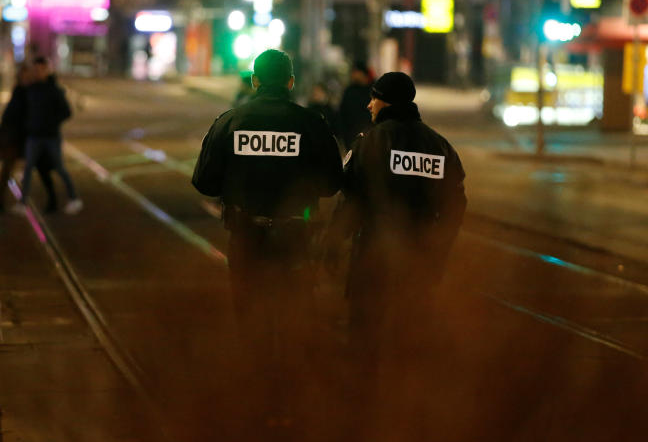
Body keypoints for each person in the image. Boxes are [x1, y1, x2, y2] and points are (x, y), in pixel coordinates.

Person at [192, 50, 342, 377]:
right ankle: (291, 383)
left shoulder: (230, 121)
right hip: (296, 236)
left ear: (255, 81)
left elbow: (204, 182)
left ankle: (256, 381)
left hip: (246, 235)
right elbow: (332, 184)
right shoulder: (312, 124)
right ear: (290, 81)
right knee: (294, 311)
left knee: (250, 312)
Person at [327, 71, 466, 373]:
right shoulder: (439, 146)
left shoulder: (369, 142)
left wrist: (331, 244)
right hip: (421, 261)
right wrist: (437, 249)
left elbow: (351, 201)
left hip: (373, 260)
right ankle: (407, 403)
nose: (369, 106)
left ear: (384, 101)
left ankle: (365, 402)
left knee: (366, 339)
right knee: (412, 338)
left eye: (373, 99)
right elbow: (455, 207)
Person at [0, 64, 57, 212]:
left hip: (29, 137)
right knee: (8, 168)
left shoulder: (33, 91)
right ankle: (2, 201)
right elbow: (10, 115)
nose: (23, 78)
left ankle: (50, 200)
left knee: (41, 169)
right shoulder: (20, 90)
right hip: (16, 138)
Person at [17, 56, 83, 214]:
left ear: (47, 69)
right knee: (28, 168)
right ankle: (23, 202)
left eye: (41, 69)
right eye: (36, 70)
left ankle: (74, 198)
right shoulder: (31, 89)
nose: (38, 72)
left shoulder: (54, 89)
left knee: (59, 168)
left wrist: (50, 122)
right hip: (34, 135)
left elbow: (67, 112)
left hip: (50, 136)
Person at [338, 61, 374, 148]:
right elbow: (342, 112)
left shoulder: (374, 89)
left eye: (355, 72)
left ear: (362, 73)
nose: (352, 75)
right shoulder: (350, 91)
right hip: (351, 136)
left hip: (370, 135)